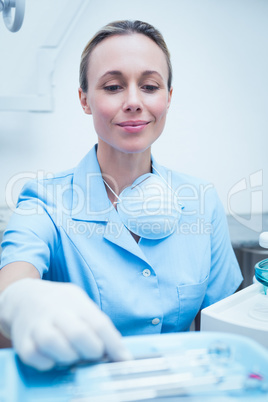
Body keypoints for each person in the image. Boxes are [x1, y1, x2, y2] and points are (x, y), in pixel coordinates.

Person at [0, 20, 243, 371]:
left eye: (149, 86)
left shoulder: (201, 201)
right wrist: (21, 301)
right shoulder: (44, 202)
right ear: (85, 99)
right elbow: (12, 281)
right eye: (113, 86)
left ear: (168, 97)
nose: (133, 102)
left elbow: (223, 330)